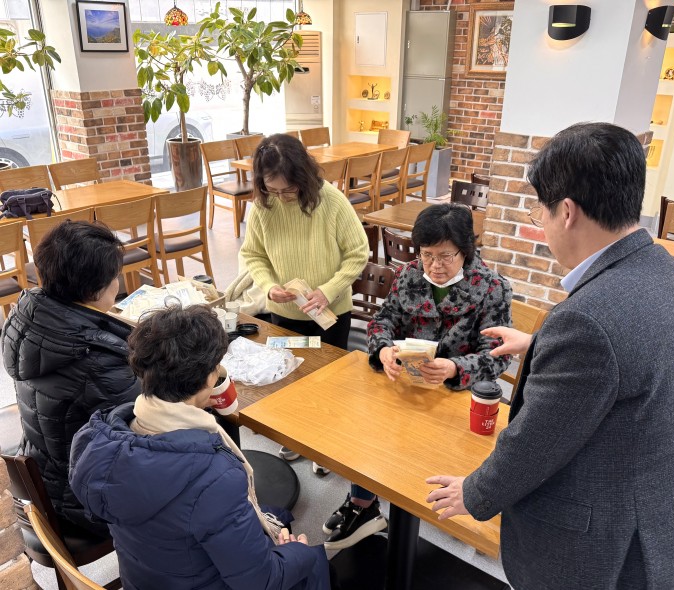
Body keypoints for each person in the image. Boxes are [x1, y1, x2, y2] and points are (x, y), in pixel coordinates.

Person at [427, 122, 674, 588]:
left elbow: (535, 443)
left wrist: (473, 492)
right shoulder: (669, 271)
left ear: (567, 212)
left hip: (603, 549)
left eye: (540, 210)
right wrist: (537, 345)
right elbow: (630, 362)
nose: (540, 222)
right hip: (662, 517)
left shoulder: (588, 322)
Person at [69, 305, 331, 590]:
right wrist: (299, 552)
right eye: (217, 364)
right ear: (208, 376)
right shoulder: (213, 475)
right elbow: (261, 581)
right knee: (312, 559)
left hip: (146, 577)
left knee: (275, 517)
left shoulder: (108, 432)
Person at [322, 203, 512, 550]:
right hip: (404, 386)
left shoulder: (491, 287)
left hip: (454, 398)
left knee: (426, 463)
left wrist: (456, 368)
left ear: (465, 251)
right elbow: (383, 321)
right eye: (427, 255)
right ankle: (364, 505)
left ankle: (447, 517)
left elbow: (499, 355)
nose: (435, 267)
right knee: (364, 433)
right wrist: (382, 350)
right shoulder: (410, 274)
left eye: (445, 256)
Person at [2, 220, 140, 536]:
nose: (118, 284)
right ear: (95, 290)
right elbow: (151, 425)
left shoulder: (30, 315)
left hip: (50, 475)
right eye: (115, 277)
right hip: (85, 502)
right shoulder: (94, 360)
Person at [240, 133, 369, 469]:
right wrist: (269, 287)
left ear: (305, 179)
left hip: (330, 313)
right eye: (273, 190)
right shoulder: (262, 207)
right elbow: (252, 254)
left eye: (289, 190)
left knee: (329, 381)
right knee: (291, 380)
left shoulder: (332, 202)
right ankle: (300, 437)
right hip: (284, 313)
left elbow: (358, 253)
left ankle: (326, 445)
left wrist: (329, 289)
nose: (281, 198)